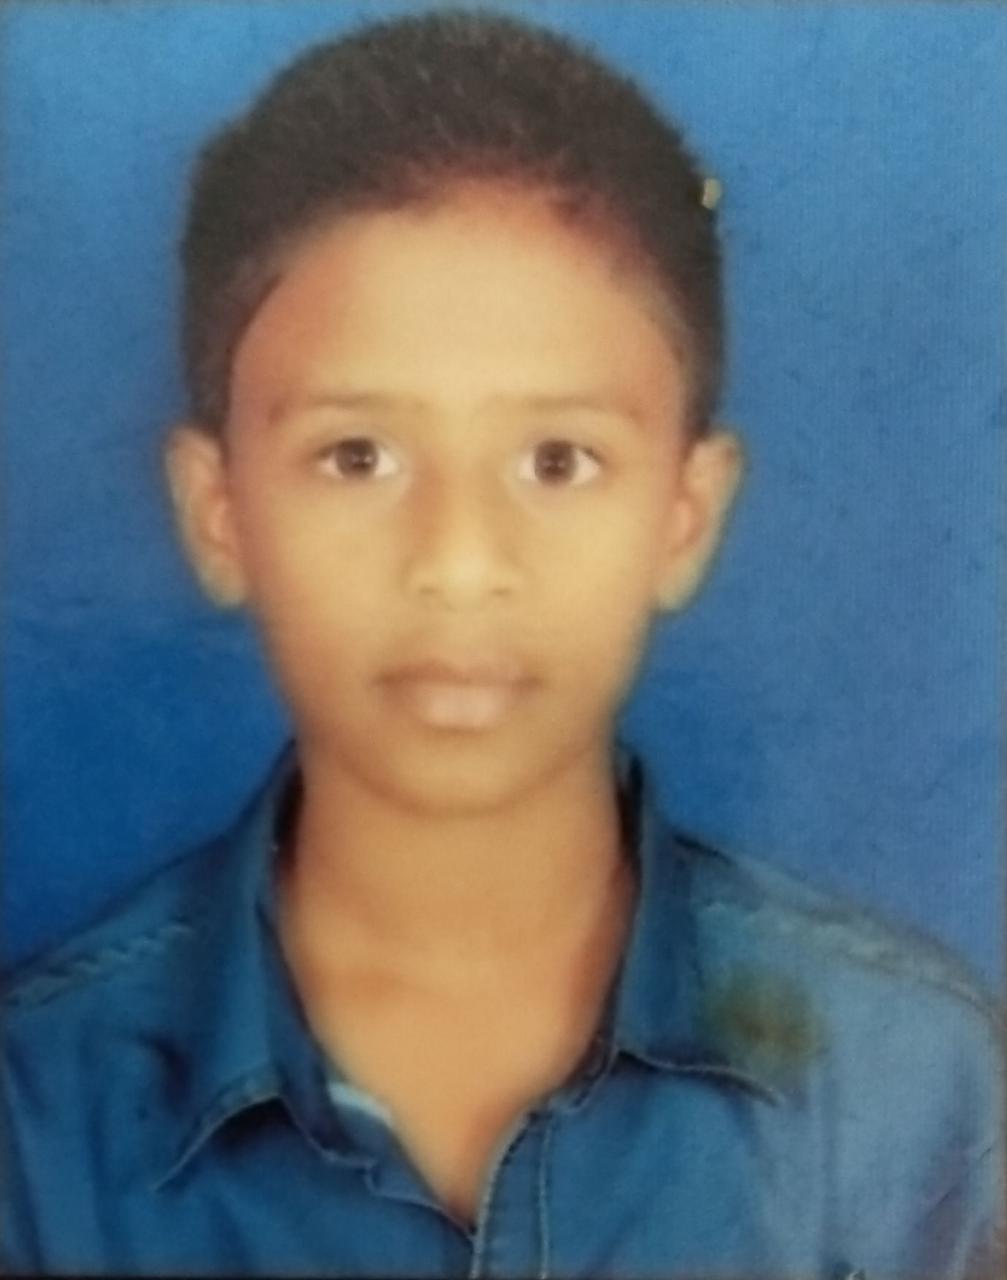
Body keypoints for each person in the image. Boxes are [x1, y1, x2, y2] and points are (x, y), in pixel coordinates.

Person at [3, 9, 1002, 1277]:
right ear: (218, 511)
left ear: (684, 515)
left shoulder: (911, 1087)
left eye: (557, 460)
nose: (460, 560)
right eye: (356, 456)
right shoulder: (36, 1117)